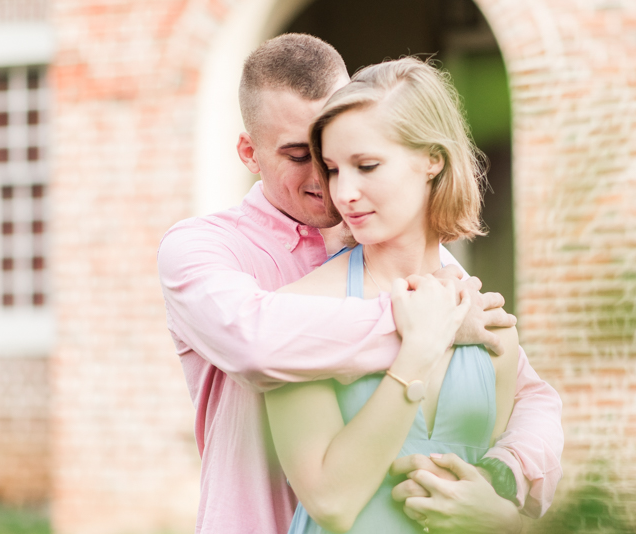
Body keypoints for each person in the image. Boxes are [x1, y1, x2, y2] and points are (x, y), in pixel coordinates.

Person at [157, 33, 563, 534]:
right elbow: (256, 343)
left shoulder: (419, 264)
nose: (332, 184)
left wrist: (505, 495)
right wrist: (420, 326)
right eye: (301, 157)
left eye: (349, 156)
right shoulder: (200, 249)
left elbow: (530, 394)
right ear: (249, 151)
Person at [265, 55, 524, 534]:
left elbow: (496, 480)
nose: (344, 193)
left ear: (433, 159)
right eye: (334, 169)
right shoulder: (299, 309)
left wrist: (506, 521)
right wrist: (418, 352)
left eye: (366, 166)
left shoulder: (490, 325)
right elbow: (331, 501)